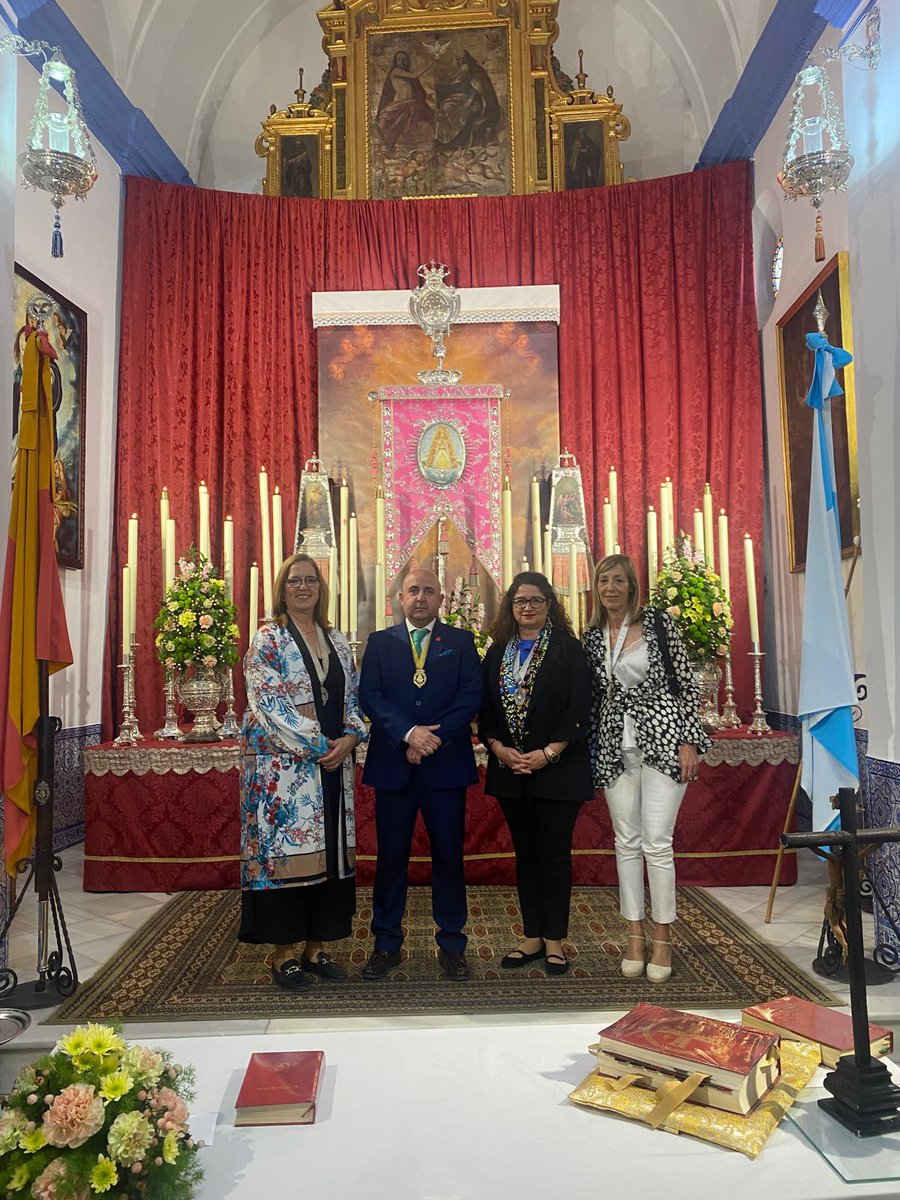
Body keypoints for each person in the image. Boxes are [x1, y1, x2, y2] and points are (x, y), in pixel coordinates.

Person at [238, 552, 367, 991]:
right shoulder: (268, 639)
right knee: (288, 860)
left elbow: (352, 698)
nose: (303, 587)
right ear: (282, 587)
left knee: (328, 858)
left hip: (332, 766)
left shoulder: (336, 639)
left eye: (310, 580)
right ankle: (283, 955)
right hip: (285, 772)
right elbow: (269, 703)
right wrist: (320, 746)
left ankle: (316, 947)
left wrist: (350, 737)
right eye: (294, 580)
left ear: (320, 588)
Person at [583, 554, 710, 983]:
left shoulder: (657, 625)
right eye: (604, 580)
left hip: (664, 740)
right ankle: (634, 933)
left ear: (632, 587)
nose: (611, 588)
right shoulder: (592, 637)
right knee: (626, 841)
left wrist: (689, 741)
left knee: (657, 841)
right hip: (615, 746)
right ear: (596, 588)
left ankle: (663, 936)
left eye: (619, 580)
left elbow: (686, 683)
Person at [359, 566, 482, 982]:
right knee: (391, 858)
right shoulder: (380, 643)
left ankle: (451, 944)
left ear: (441, 599)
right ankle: (386, 943)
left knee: (448, 857)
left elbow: (471, 697)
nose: (421, 598)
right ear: (400, 598)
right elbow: (369, 696)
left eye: (429, 591)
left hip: (445, 767)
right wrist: (408, 735)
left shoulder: (461, 642)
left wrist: (433, 739)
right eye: (413, 591)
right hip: (394, 765)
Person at [478, 572, 593, 976]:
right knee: (526, 857)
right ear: (510, 607)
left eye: (536, 600)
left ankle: (556, 941)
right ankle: (531, 936)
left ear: (549, 605)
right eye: (519, 601)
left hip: (557, 770)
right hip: (511, 770)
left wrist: (549, 752)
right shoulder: (496, 653)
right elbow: (486, 712)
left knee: (554, 857)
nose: (527, 607)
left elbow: (579, 708)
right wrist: (499, 749)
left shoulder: (569, 649)